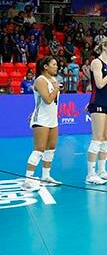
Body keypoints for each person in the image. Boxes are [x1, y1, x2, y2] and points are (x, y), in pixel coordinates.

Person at [23, 57, 62, 190]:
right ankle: (28, 180)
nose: (57, 67)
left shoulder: (53, 80)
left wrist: (55, 86)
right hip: (41, 120)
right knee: (39, 149)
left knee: (51, 148)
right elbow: (47, 100)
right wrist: (56, 88)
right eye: (54, 64)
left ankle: (46, 176)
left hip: (52, 119)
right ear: (45, 66)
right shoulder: (40, 80)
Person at [86, 37, 107, 185]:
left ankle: (102, 171)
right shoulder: (96, 62)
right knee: (97, 138)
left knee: (106, 138)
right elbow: (98, 84)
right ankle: (90, 174)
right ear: (104, 47)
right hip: (98, 103)